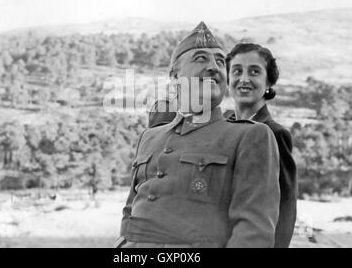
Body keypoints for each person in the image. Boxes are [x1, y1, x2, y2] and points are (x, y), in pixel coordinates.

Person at [116, 22, 280, 248]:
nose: (214, 67)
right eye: (201, 58)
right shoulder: (150, 138)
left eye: (221, 62)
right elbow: (131, 211)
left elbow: (253, 230)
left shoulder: (251, 136)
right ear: (174, 77)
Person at [224, 43, 297, 248]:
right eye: (237, 71)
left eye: (254, 72)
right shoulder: (219, 126)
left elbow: (285, 208)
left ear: (268, 82)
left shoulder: (275, 134)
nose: (244, 79)